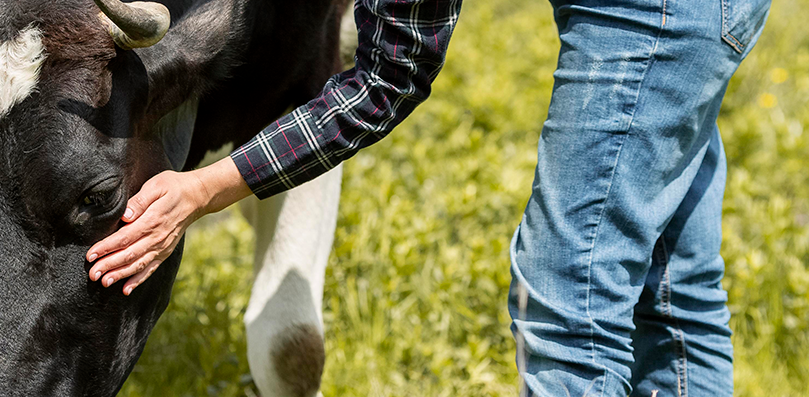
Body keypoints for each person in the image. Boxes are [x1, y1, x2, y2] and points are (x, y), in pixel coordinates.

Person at [83, 0, 771, 395]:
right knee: (671, 285)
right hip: (705, 13)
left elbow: (387, 78)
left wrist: (202, 188)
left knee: (571, 293)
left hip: (651, 17)